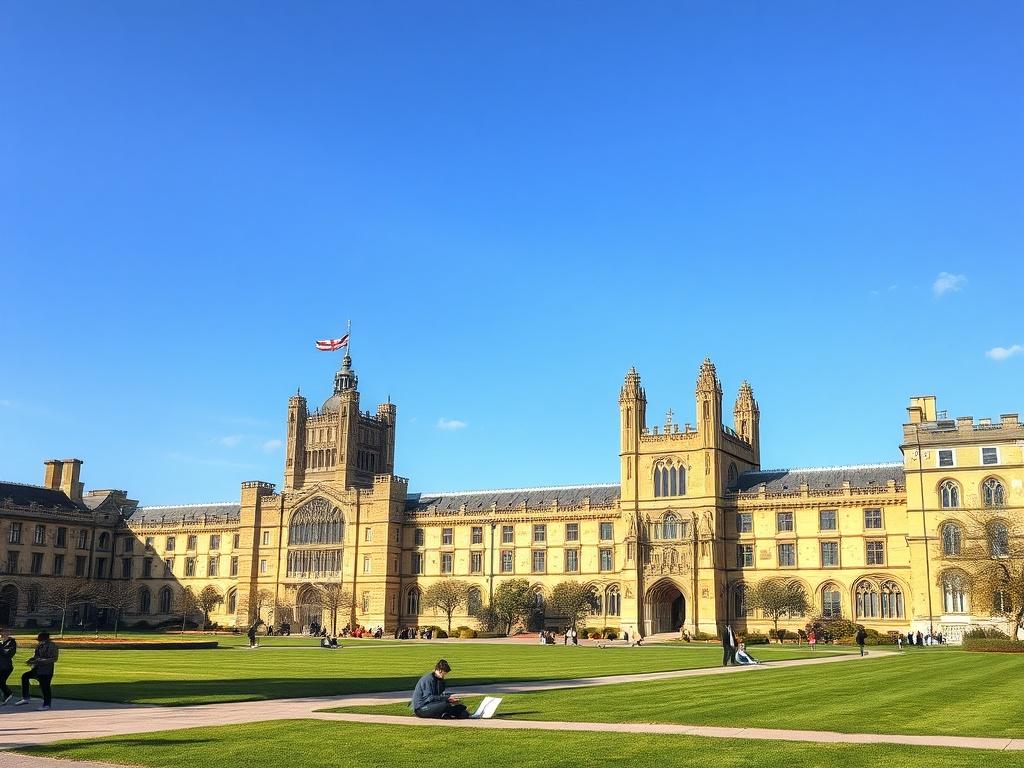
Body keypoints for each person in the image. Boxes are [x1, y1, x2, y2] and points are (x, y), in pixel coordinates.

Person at [15, 631, 58, 710]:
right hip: (37, 669)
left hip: (46, 670)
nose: (38, 640)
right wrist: (31, 659)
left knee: (45, 687)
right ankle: (26, 698)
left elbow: (54, 659)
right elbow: (36, 656)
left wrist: (38, 661)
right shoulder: (40, 645)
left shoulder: (52, 646)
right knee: (25, 676)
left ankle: (47, 704)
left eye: (40, 638)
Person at [0, 627, 16, 704]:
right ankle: (6, 695)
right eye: (3, 631)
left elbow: (9, 653)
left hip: (6, 666)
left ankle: (8, 693)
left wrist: (2, 649)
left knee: (1, 681)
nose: (5, 633)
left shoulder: (11, 642)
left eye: (7, 631)